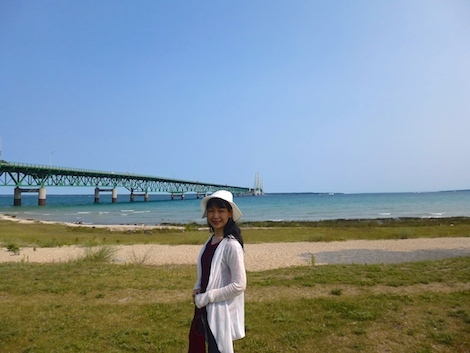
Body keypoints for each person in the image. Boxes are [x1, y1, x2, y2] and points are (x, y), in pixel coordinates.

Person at [189, 190, 246, 353]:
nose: (215, 215)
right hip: (205, 307)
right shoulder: (210, 241)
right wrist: (198, 286)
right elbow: (206, 271)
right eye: (211, 210)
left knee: (218, 348)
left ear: (230, 213)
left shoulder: (231, 246)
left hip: (219, 310)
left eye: (220, 211)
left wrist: (208, 296)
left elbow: (239, 285)